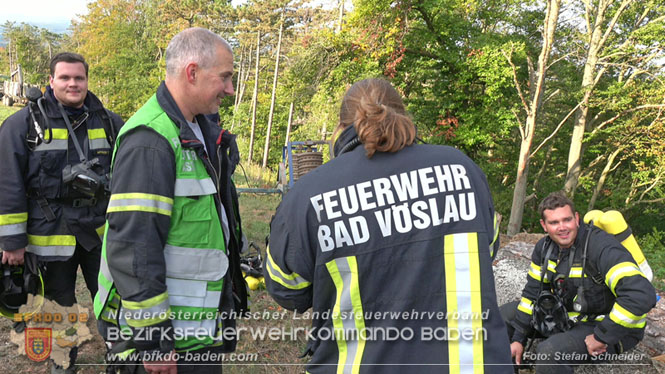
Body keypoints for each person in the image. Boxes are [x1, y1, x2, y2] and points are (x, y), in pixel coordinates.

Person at [264, 78, 512, 373]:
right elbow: (488, 248)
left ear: (340, 129)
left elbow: (286, 289)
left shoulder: (310, 193)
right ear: (404, 116)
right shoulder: (462, 169)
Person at [94, 27, 247, 374]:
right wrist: (154, 341)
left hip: (193, 333)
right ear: (192, 73)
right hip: (164, 343)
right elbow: (134, 248)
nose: (230, 89)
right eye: (224, 77)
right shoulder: (150, 141)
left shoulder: (199, 130)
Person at [0, 52, 123, 373]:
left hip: (99, 234)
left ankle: (122, 360)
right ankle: (63, 366)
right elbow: (8, 183)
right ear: (51, 81)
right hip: (50, 235)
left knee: (115, 301)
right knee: (58, 309)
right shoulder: (23, 125)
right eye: (65, 78)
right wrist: (12, 240)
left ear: (87, 81)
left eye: (79, 78)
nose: (72, 84)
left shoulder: (110, 122)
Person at [501, 192, 657, 373]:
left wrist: (601, 336)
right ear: (544, 225)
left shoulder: (601, 248)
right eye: (554, 223)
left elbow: (641, 295)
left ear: (576, 219)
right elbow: (532, 294)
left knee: (551, 353)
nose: (562, 228)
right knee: (502, 317)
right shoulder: (544, 248)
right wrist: (519, 338)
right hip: (568, 317)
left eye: (566, 220)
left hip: (610, 327)